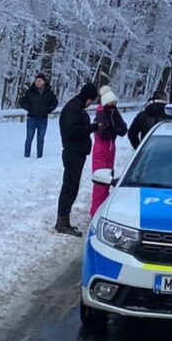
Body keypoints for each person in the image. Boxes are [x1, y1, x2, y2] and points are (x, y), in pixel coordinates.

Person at [56, 82, 99, 236]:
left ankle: (64, 221)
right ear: (88, 98)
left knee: (72, 187)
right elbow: (74, 131)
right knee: (69, 187)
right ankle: (62, 222)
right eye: (92, 100)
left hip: (77, 153)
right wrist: (93, 127)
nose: (91, 104)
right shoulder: (73, 109)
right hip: (72, 153)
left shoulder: (76, 108)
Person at [90, 86, 128, 217]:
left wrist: (115, 127)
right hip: (101, 151)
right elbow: (104, 133)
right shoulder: (101, 114)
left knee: (107, 183)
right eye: (110, 103)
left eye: (114, 103)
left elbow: (123, 129)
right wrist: (114, 129)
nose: (113, 105)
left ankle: (102, 210)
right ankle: (95, 212)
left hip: (110, 151)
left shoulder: (113, 113)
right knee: (100, 183)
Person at [18, 73, 58, 158]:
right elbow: (22, 101)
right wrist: (29, 108)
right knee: (29, 138)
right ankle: (26, 155)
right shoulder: (30, 91)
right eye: (36, 81)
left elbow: (55, 102)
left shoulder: (49, 92)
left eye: (40, 81)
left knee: (40, 139)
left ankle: (40, 156)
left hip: (43, 119)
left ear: (44, 82)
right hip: (31, 118)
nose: (38, 82)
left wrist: (48, 110)